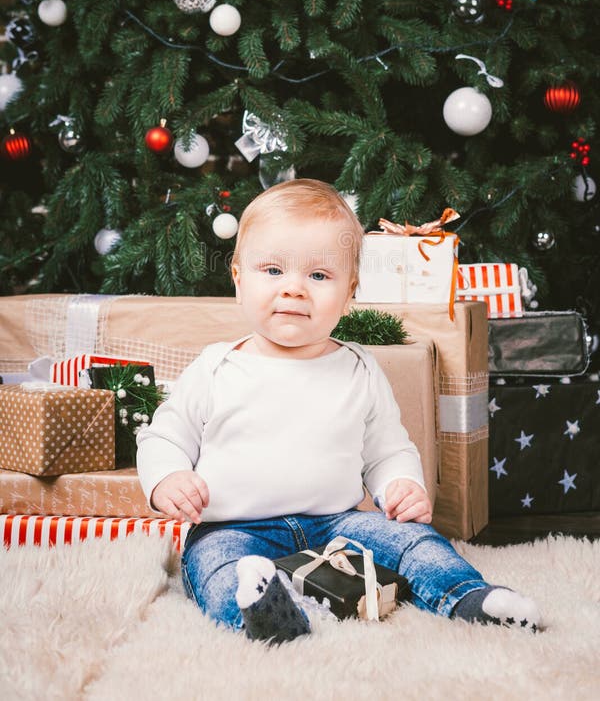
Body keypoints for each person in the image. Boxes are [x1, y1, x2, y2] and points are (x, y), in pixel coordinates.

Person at [137, 178, 540, 643]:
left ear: (350, 293)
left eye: (319, 276)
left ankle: (468, 596)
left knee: (411, 543)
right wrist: (167, 478)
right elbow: (163, 437)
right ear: (238, 279)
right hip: (234, 527)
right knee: (217, 566)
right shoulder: (216, 367)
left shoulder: (359, 369)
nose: (294, 290)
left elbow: (388, 448)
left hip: (337, 523)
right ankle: (263, 615)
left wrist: (400, 485)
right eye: (272, 270)